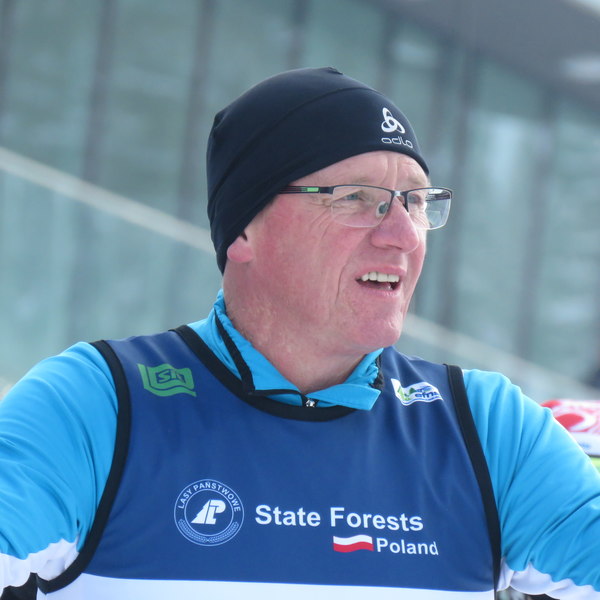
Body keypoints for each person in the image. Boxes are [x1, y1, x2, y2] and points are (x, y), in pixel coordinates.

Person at [0, 67, 599, 599]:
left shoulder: (486, 429)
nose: (403, 235)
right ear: (245, 229)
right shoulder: (99, 404)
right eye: (358, 198)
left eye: (415, 202)